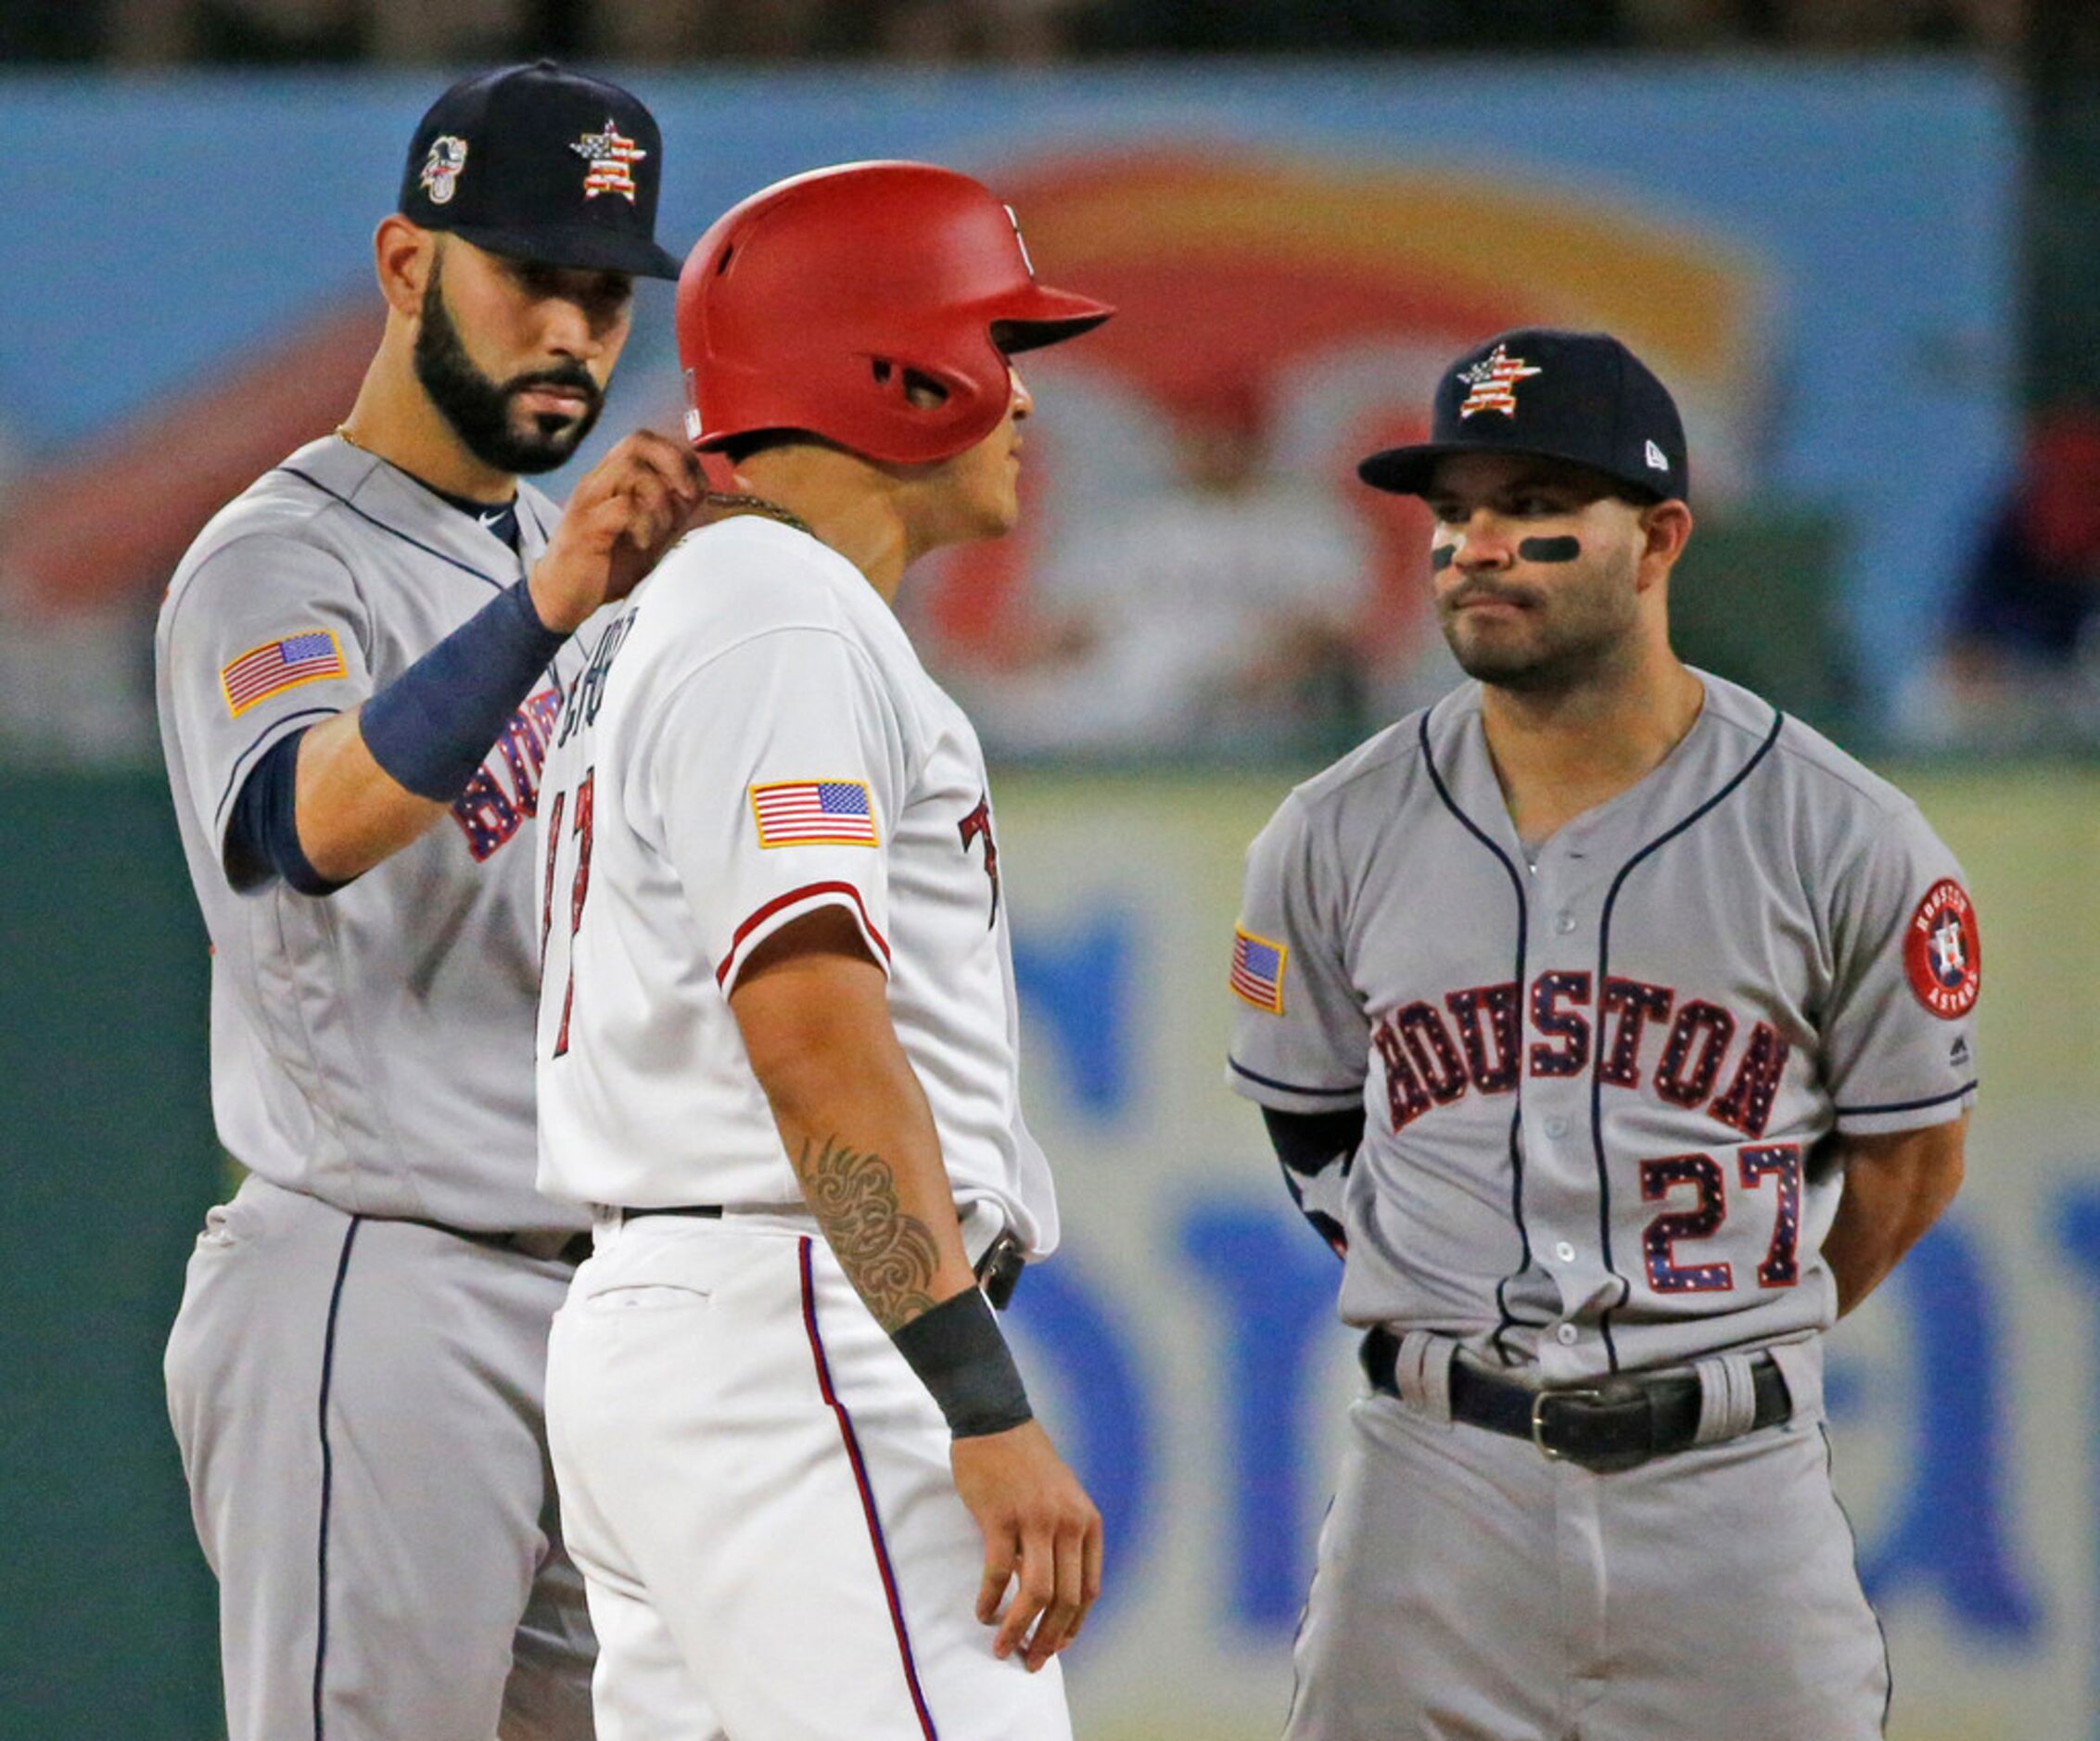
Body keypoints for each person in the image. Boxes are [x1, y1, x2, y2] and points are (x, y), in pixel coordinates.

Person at [1228, 328, 1976, 1739]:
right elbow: (1312, 1131)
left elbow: (1910, 1164)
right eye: (1454, 511)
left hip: (1730, 1494)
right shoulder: (1329, 832)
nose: (1477, 545)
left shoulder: (1843, 836)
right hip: (1432, 1487)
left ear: (1657, 537)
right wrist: (1451, 1287)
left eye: (1533, 509)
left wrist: (1735, 1323)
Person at [154, 60, 701, 1740]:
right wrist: (554, 602)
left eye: (605, 292)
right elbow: (301, 821)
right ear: (407, 267)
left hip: (585, 1302)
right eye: (530, 274)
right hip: (377, 1288)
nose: (575, 330)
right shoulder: (279, 554)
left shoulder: (559, 557)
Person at [532, 159, 1111, 1739]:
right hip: (792, 1321)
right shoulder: (777, 615)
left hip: (675, 1318)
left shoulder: (673, 615)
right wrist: (976, 1397)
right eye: (1003, 350)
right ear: (905, 370)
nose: (1024, 404)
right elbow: (809, 1037)